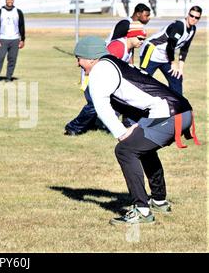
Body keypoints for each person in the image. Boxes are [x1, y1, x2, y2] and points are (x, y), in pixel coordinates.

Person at [74, 36, 200, 225]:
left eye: (79, 58)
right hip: (181, 112)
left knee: (125, 150)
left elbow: (101, 106)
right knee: (142, 148)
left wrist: (120, 132)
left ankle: (142, 210)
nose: (78, 63)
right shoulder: (114, 63)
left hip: (169, 114)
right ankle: (159, 200)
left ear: (91, 57)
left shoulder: (101, 70)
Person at [139, 6, 202, 95]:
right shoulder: (179, 26)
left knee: (177, 77)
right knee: (143, 80)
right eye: (192, 16)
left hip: (166, 56)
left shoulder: (192, 29)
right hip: (151, 51)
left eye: (197, 17)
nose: (193, 19)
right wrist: (173, 63)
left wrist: (180, 68)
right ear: (188, 15)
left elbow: (184, 49)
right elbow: (170, 46)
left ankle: (178, 106)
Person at [0, 0, 25, 82]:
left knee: (12, 59)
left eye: (11, 0)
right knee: (0, 58)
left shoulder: (18, 12)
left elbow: (21, 26)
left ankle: (9, 77)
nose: (10, 1)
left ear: (13, 0)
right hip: (3, 39)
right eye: (8, 0)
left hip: (15, 39)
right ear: (5, 0)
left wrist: (22, 39)